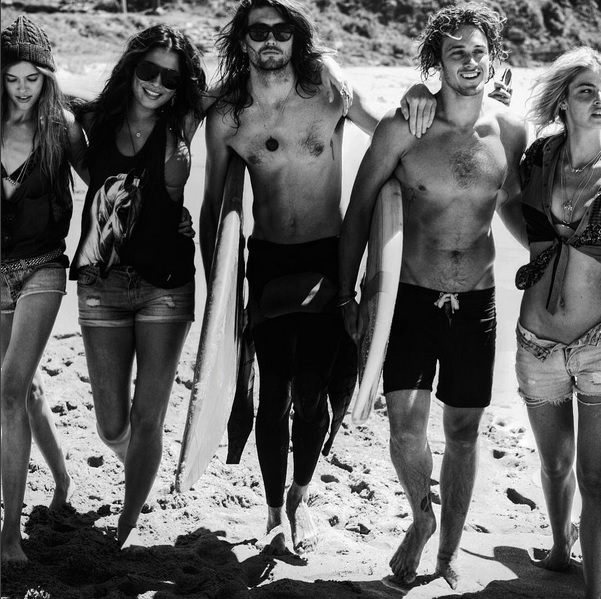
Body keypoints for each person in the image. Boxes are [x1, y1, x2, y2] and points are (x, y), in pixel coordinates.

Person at [338, 2, 528, 589]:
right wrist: (347, 294)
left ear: (493, 59)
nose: (469, 62)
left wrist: (549, 254)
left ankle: (447, 554)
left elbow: (511, 202)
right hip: (412, 300)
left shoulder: (511, 130)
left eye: (478, 52)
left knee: (464, 433)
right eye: (456, 53)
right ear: (436, 63)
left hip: (478, 303)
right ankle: (422, 516)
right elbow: (361, 208)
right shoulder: (405, 128)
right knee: (405, 429)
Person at [200, 0, 379, 556]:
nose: (270, 40)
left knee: (313, 390)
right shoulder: (230, 115)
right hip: (269, 261)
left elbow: (390, 134)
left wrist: (422, 100)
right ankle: (275, 511)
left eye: (282, 30)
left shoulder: (329, 91)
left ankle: (300, 494)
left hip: (328, 257)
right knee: (274, 390)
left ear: (297, 38)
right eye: (259, 31)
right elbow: (212, 207)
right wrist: (217, 294)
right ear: (244, 40)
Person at [514, 47, 601, 599]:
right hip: (536, 344)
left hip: (598, 346)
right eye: (586, 90)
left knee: (595, 478)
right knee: (554, 466)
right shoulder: (539, 157)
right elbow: (510, 206)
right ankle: (558, 547)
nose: (599, 100)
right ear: (564, 101)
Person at [1, 15, 86, 564]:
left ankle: (10, 536)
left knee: (8, 389)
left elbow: (108, 179)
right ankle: (63, 481)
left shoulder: (62, 128)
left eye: (33, 78)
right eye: (11, 78)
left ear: (48, 77)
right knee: (26, 390)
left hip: (44, 266)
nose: (23, 88)